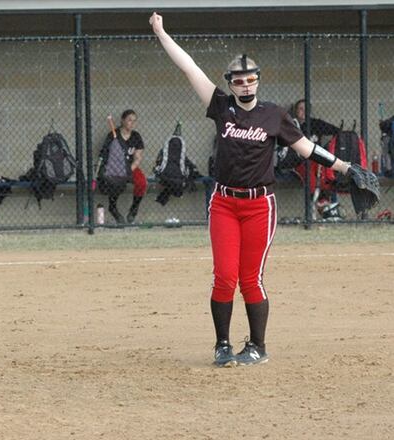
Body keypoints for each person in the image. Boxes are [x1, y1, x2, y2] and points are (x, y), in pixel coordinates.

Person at [150, 12, 356, 367]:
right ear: (230, 83)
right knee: (224, 276)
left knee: (250, 278)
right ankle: (222, 345)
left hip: (260, 205)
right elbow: (190, 68)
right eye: (239, 80)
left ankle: (257, 346)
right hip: (225, 203)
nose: (245, 85)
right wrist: (161, 32)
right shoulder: (221, 107)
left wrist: (345, 167)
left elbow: (305, 148)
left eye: (251, 79)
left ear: (258, 82)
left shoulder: (274, 115)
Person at [96, 109, 148, 224]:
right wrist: (120, 171)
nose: (132, 123)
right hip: (115, 167)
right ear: (122, 121)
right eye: (129, 120)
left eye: (134, 121)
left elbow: (138, 158)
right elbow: (106, 155)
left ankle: (134, 209)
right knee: (116, 182)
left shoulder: (136, 136)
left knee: (142, 182)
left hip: (130, 167)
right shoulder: (113, 135)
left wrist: (128, 170)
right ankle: (113, 208)